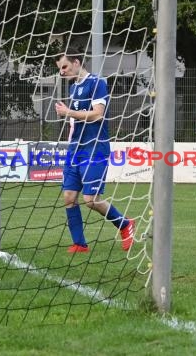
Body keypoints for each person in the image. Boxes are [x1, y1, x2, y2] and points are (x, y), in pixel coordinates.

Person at [54, 47, 135, 253]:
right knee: (69, 197)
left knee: (91, 200)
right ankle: (79, 244)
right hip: (76, 148)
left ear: (77, 62)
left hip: (95, 147)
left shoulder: (97, 83)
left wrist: (68, 111)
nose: (61, 71)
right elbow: (77, 119)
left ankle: (125, 224)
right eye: (59, 68)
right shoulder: (73, 88)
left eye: (64, 66)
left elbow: (98, 114)